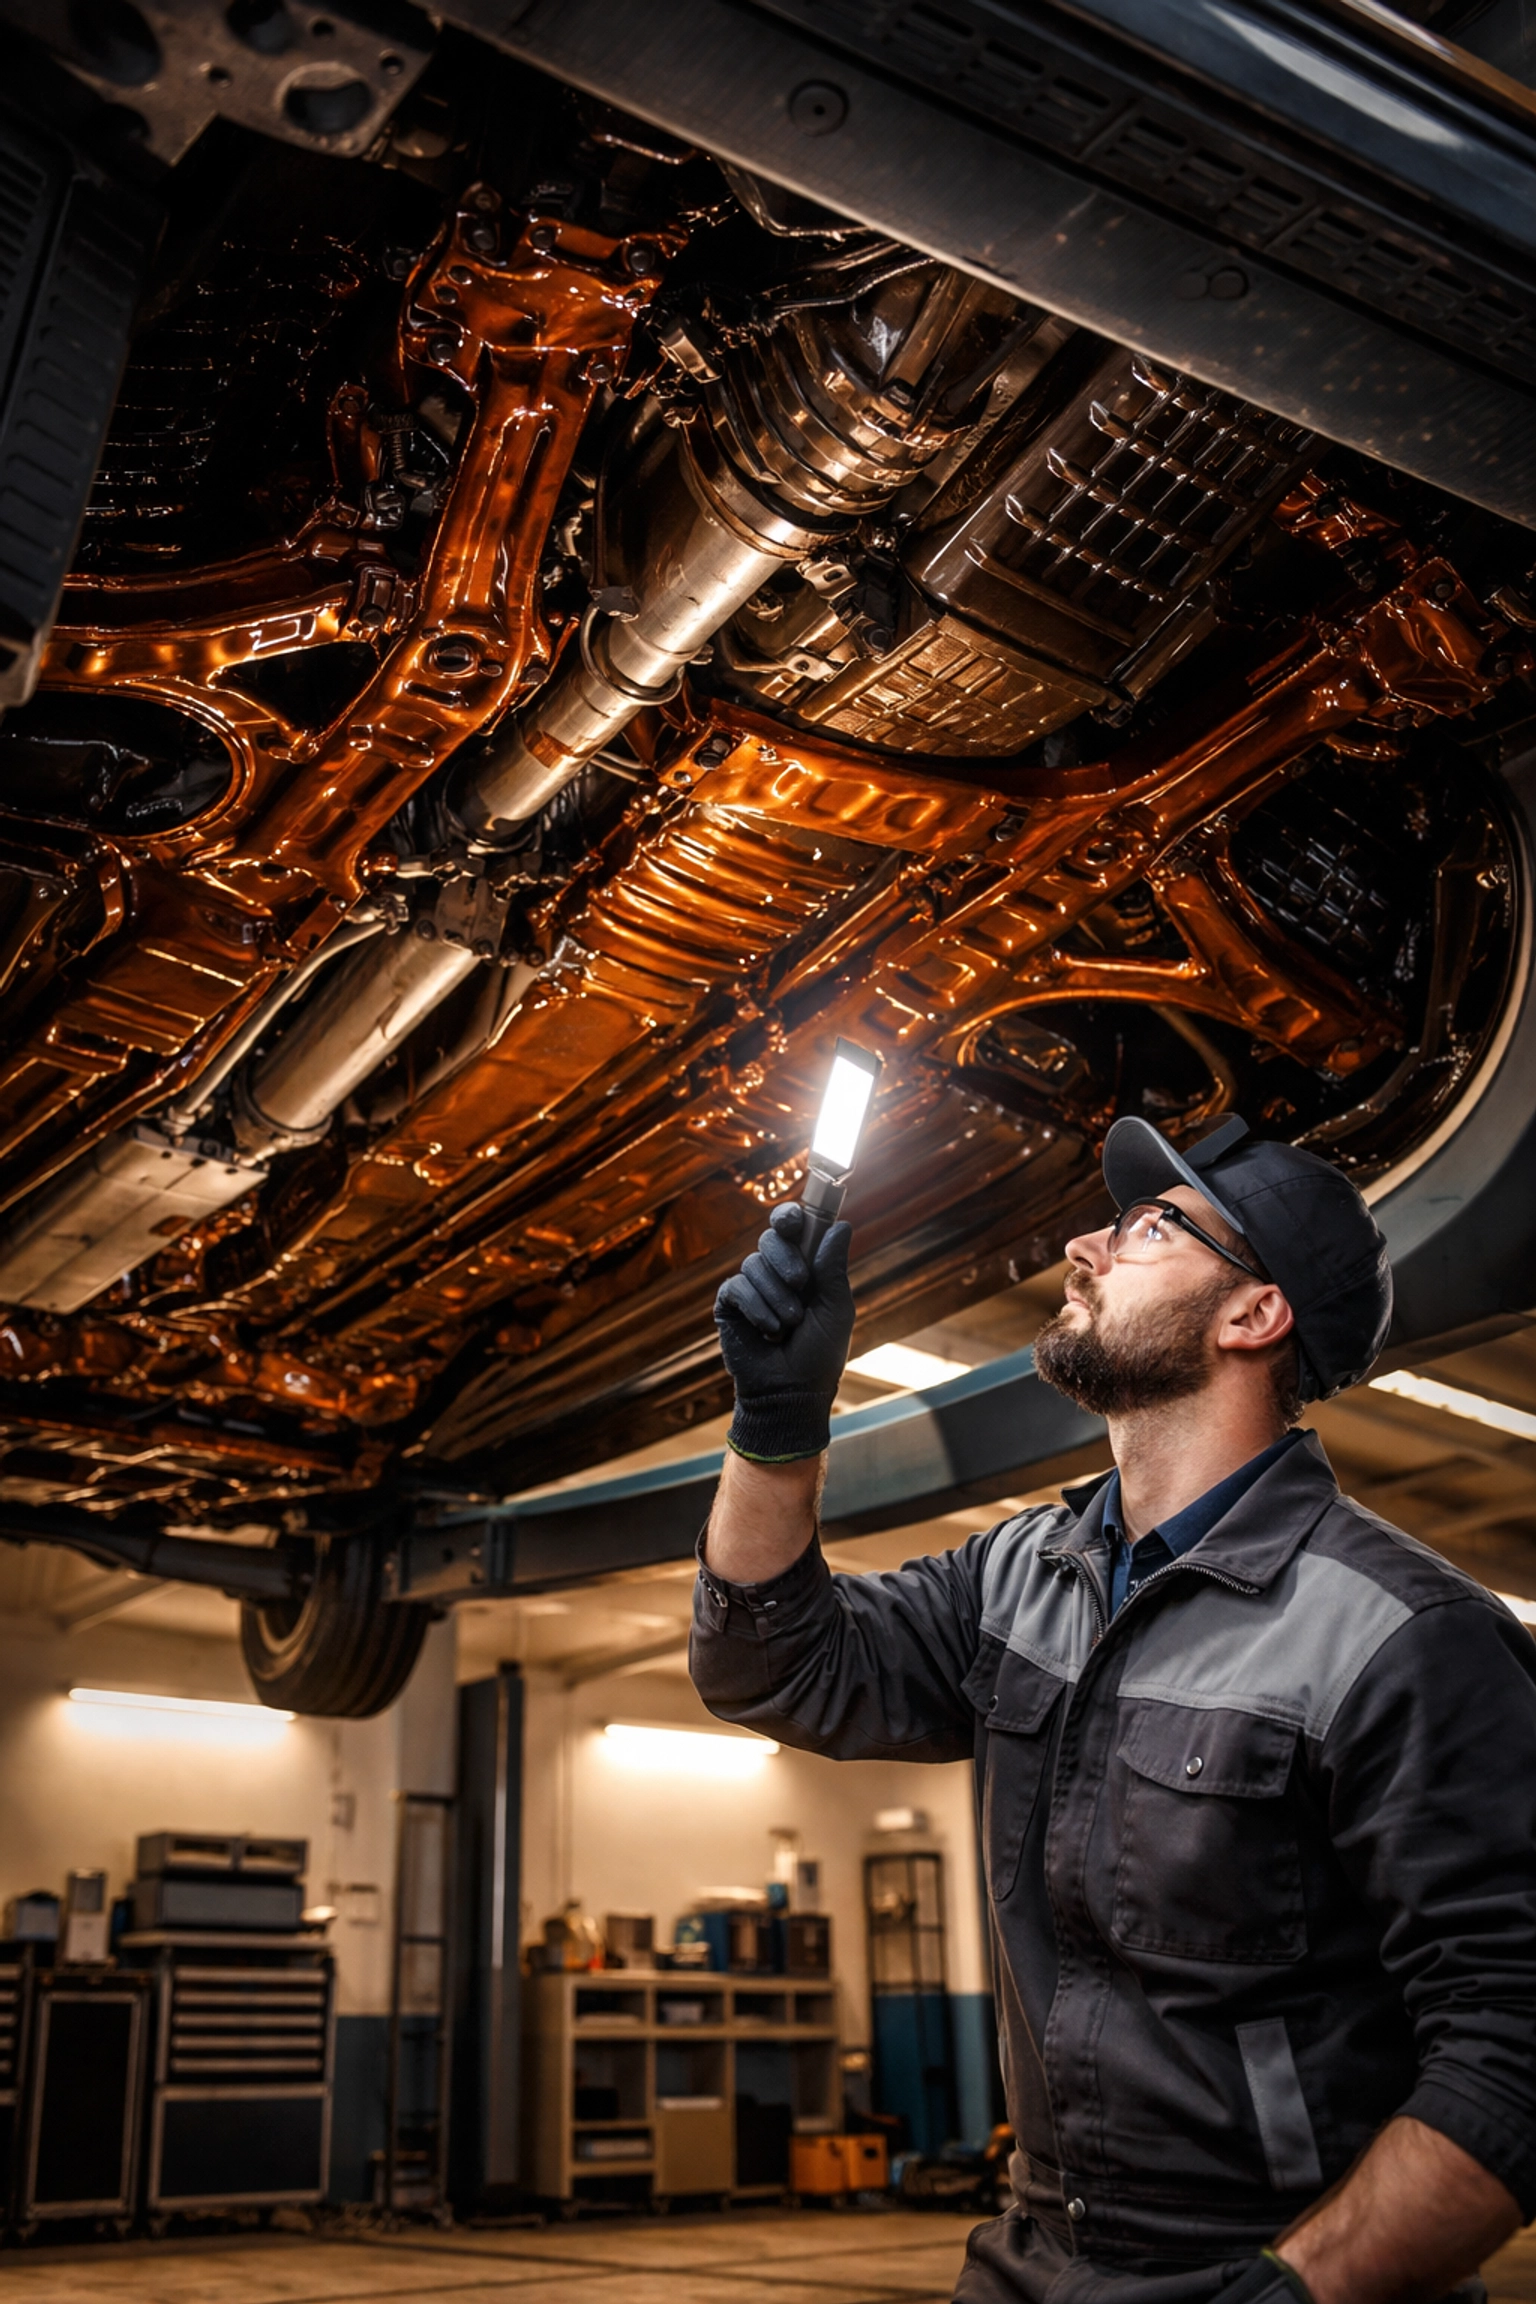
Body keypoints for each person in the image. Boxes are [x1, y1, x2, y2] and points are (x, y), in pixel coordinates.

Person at [691, 1113, 1536, 2304]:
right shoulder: (1019, 1577)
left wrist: (1296, 2292)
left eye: (1149, 1225)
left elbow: (1514, 2043)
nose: (1086, 1243)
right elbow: (774, 1664)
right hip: (1033, 2252)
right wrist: (776, 1426)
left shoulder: (1403, 1636)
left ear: (1255, 1314)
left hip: (1270, 2260)